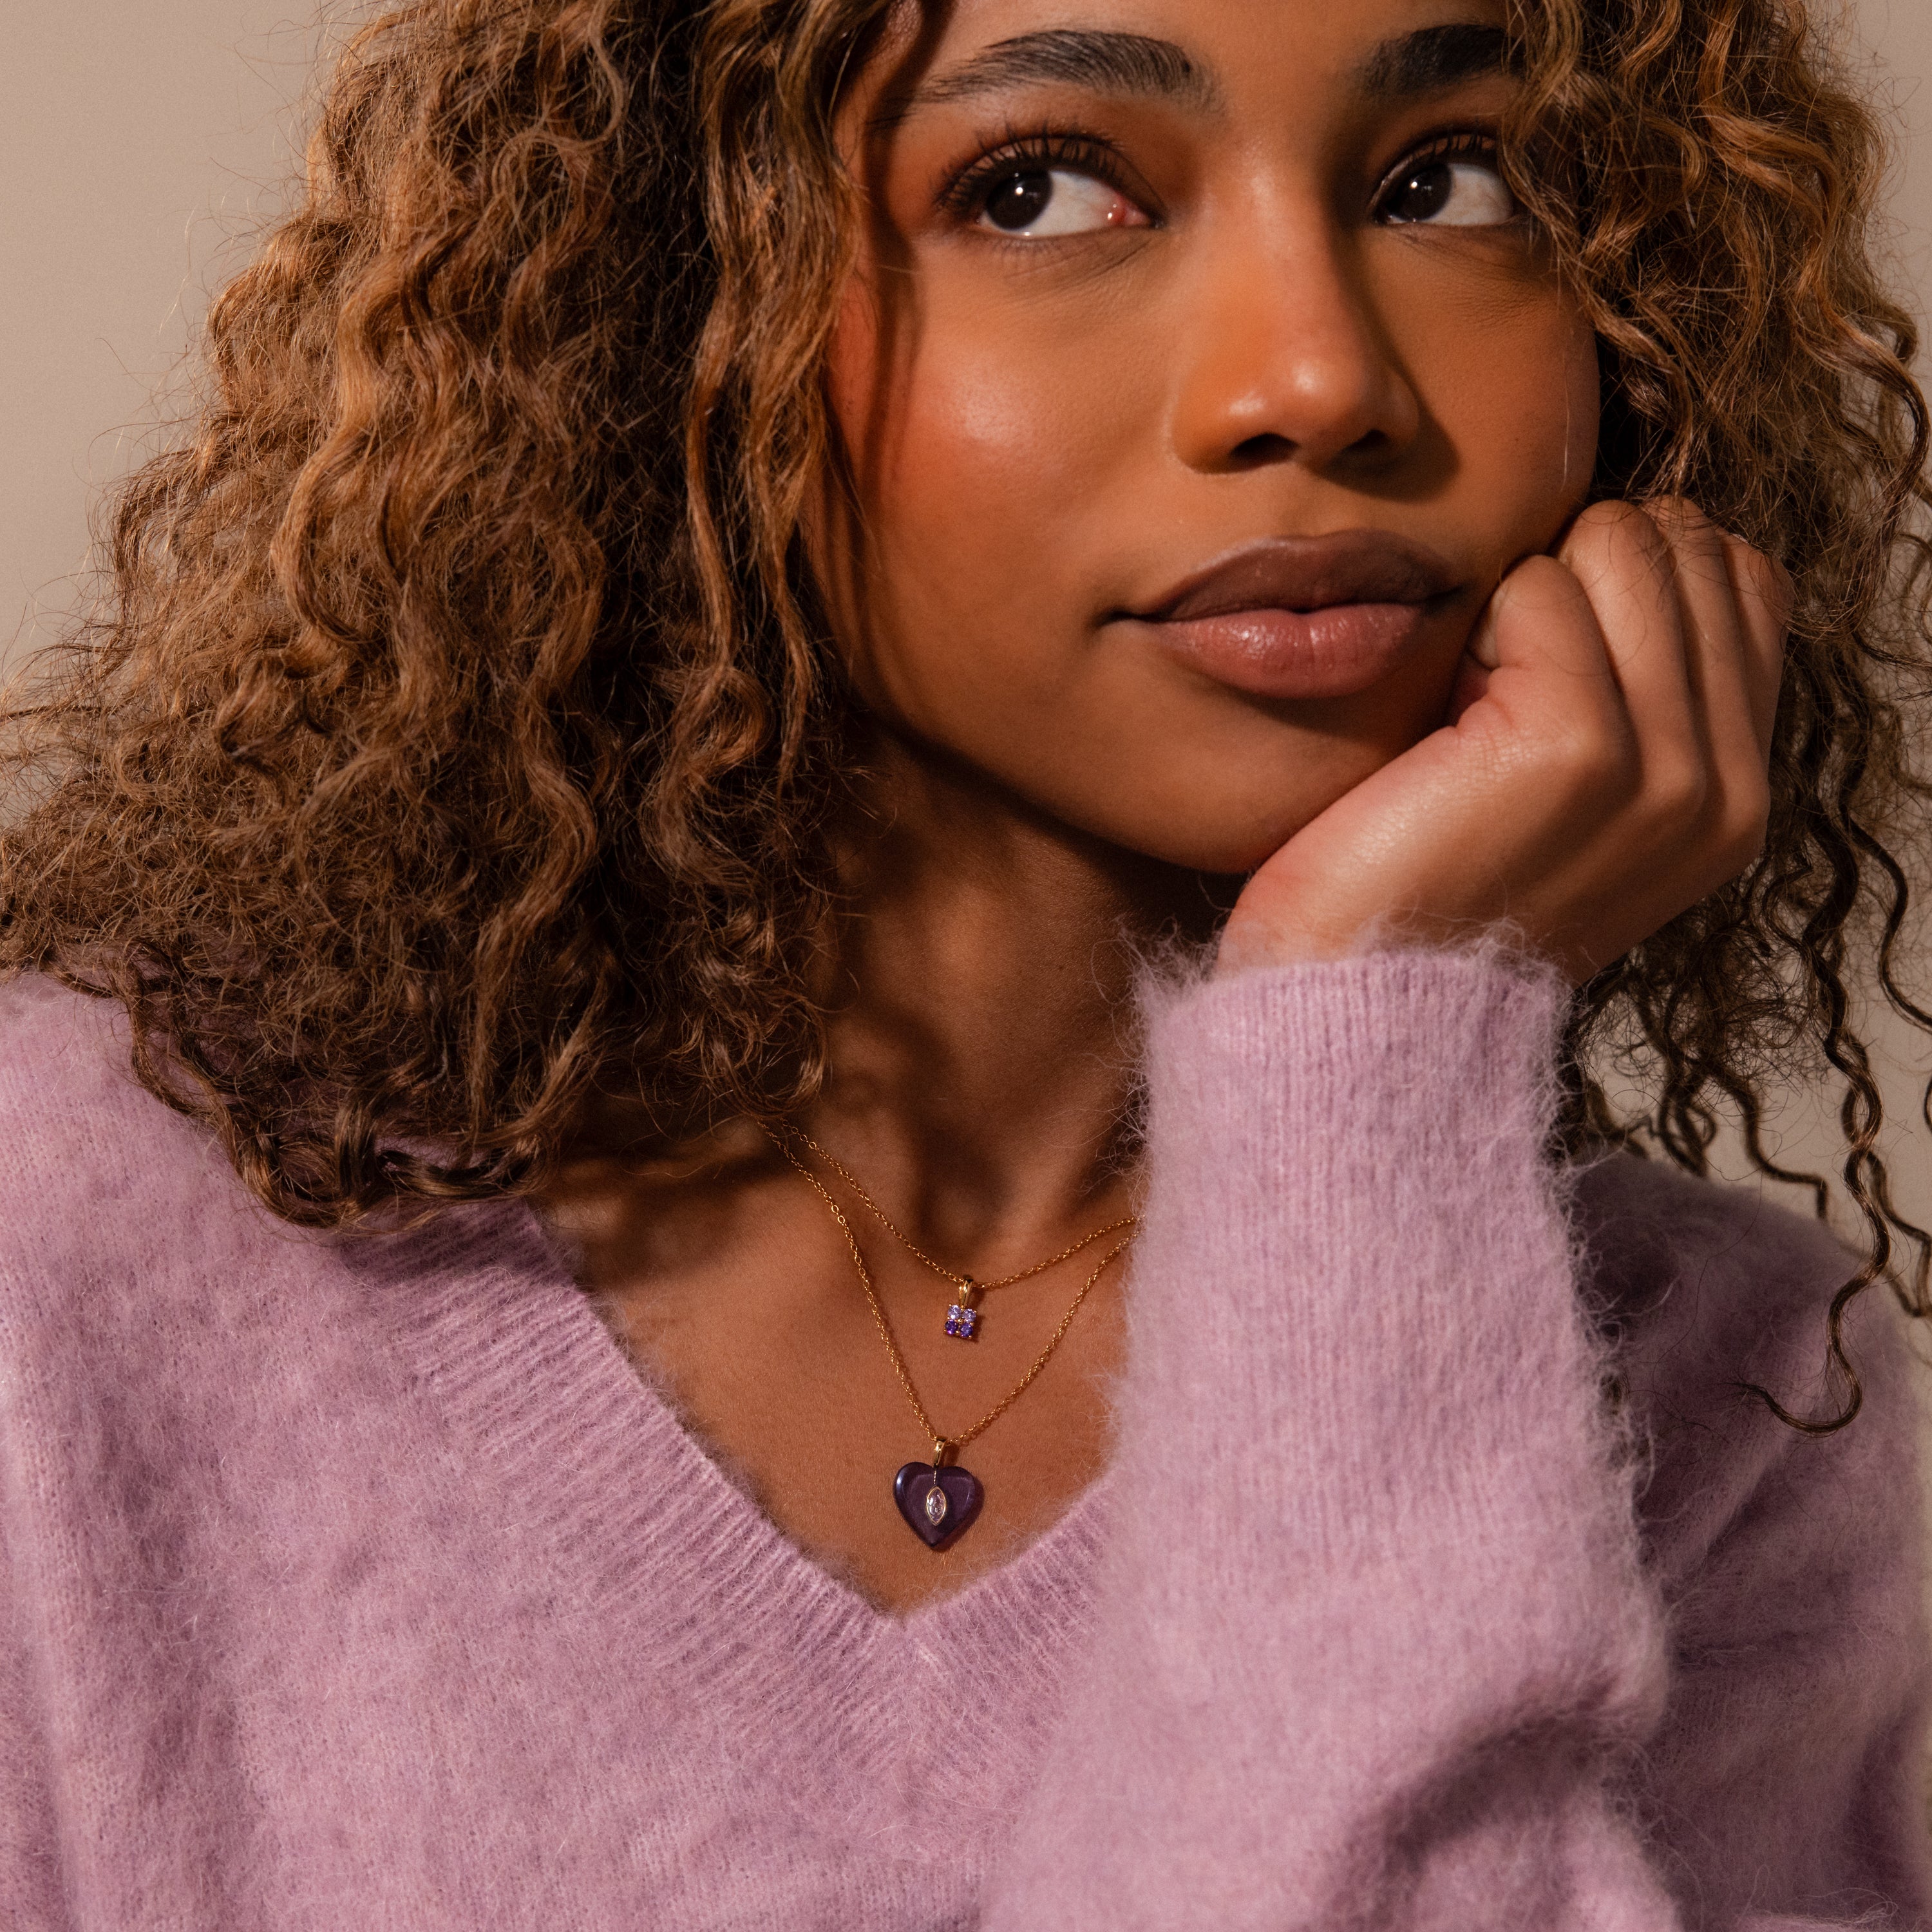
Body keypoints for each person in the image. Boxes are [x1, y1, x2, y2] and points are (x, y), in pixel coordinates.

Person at [2, 0, 1929, 1922]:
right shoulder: (70, 1249)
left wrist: (1375, 1055)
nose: (1320, 377)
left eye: (1455, 180)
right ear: (672, 304)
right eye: (1039, 188)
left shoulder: (1746, 1410)